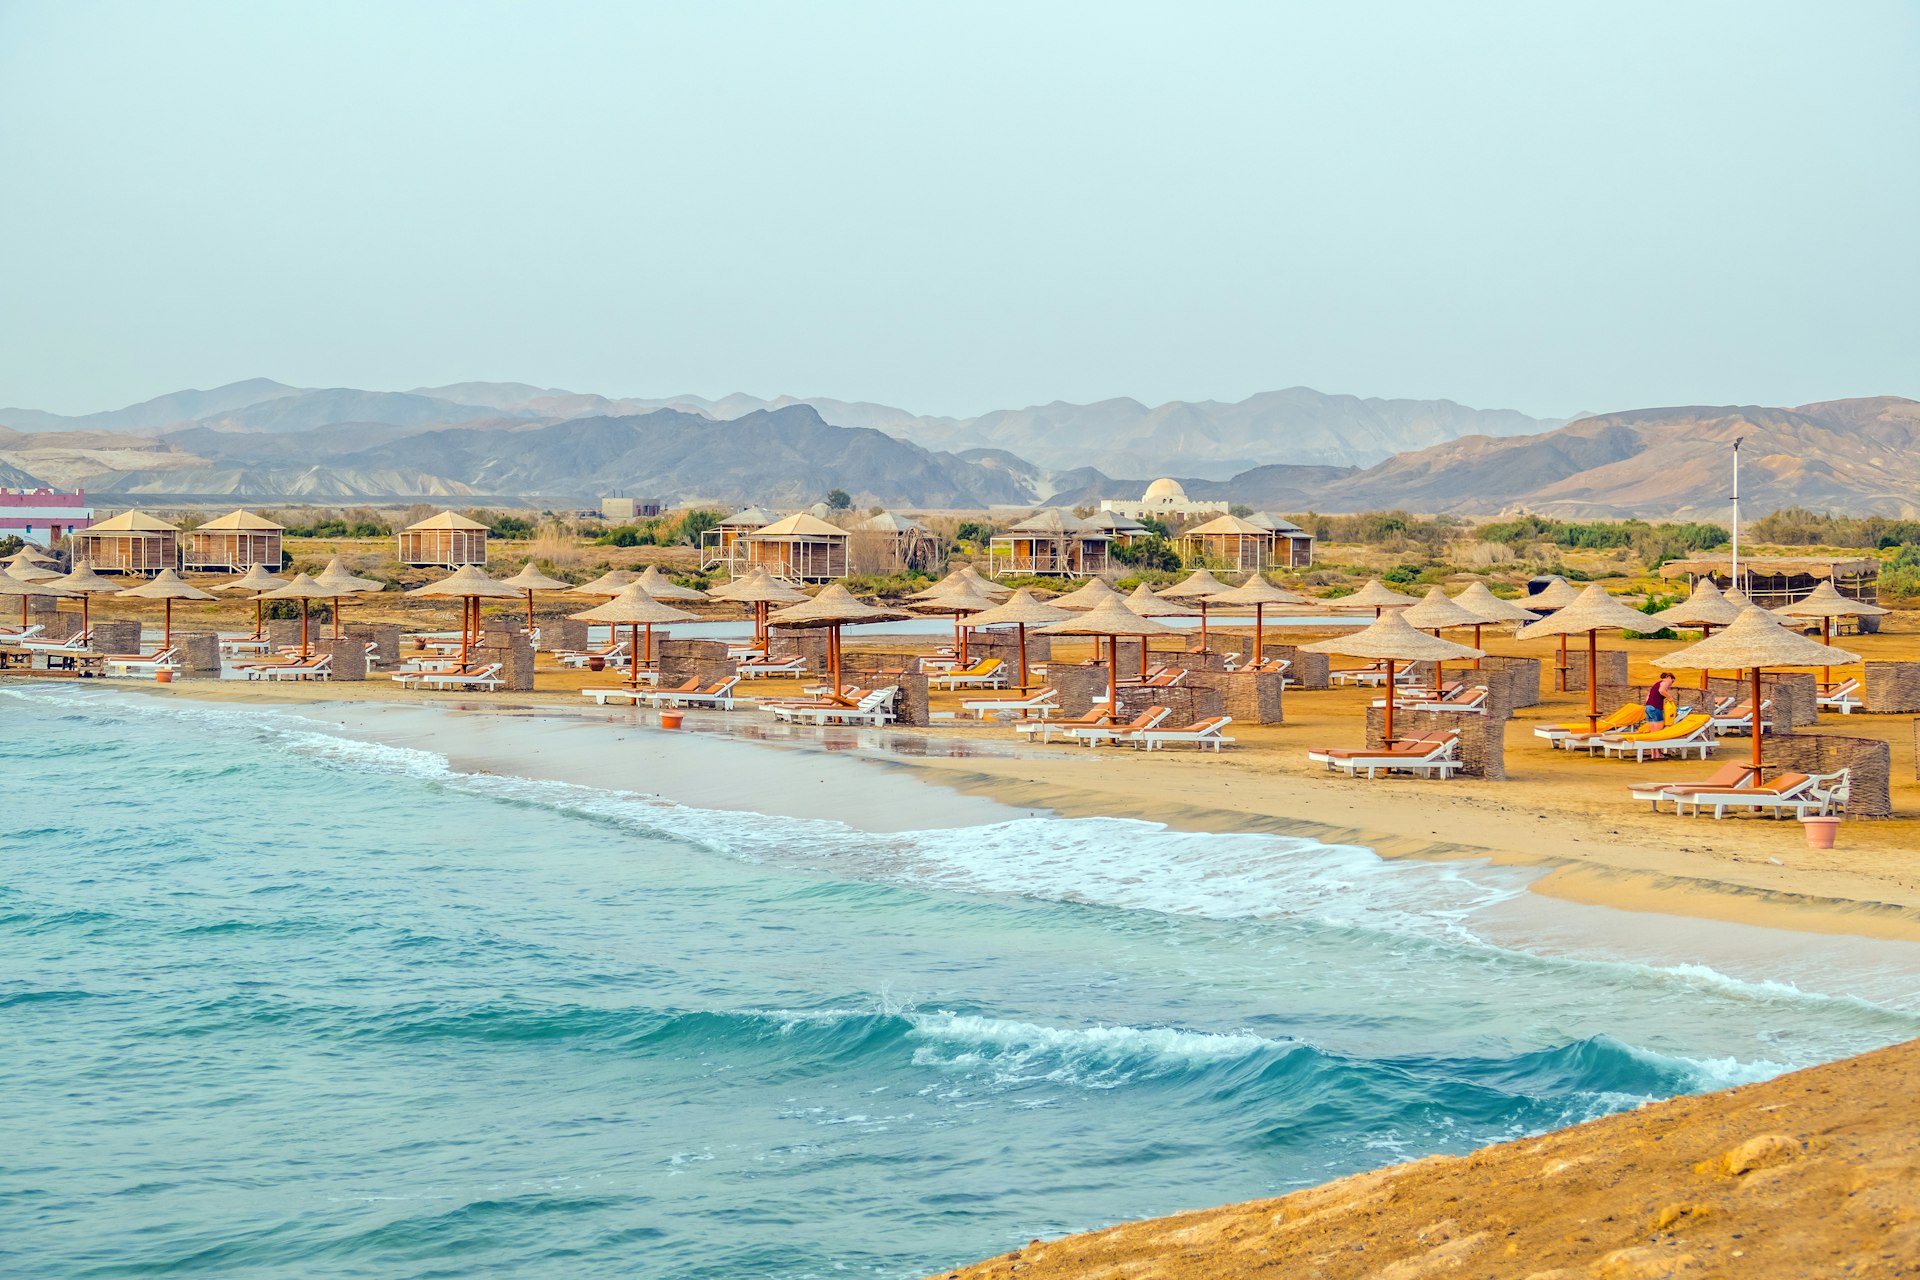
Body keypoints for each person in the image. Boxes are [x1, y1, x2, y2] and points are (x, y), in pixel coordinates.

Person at [1645, 671, 1678, 760]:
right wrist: (1669, 697)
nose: (1671, 684)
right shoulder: (1665, 682)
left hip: (1648, 707)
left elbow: (1647, 697)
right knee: (1658, 733)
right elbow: (1661, 691)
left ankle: (1654, 754)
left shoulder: (1656, 684)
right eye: (1672, 681)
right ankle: (1657, 754)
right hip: (1656, 708)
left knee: (1653, 733)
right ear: (1669, 678)